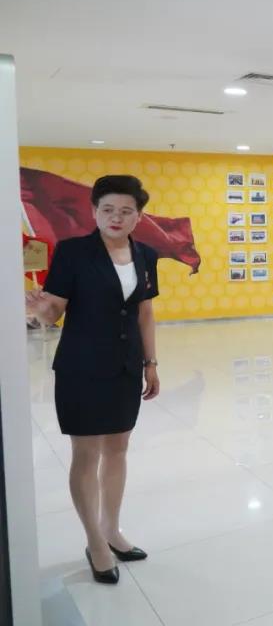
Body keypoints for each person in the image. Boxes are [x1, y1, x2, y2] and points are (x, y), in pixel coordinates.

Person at [24, 175, 161, 585]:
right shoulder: (73, 252)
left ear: (138, 216)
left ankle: (112, 530)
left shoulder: (146, 254)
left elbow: (144, 312)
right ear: (94, 212)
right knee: (86, 454)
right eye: (108, 209)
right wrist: (39, 311)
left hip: (125, 366)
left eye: (126, 211)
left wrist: (150, 363)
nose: (116, 217)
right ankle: (95, 542)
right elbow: (55, 309)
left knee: (118, 450)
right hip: (81, 367)